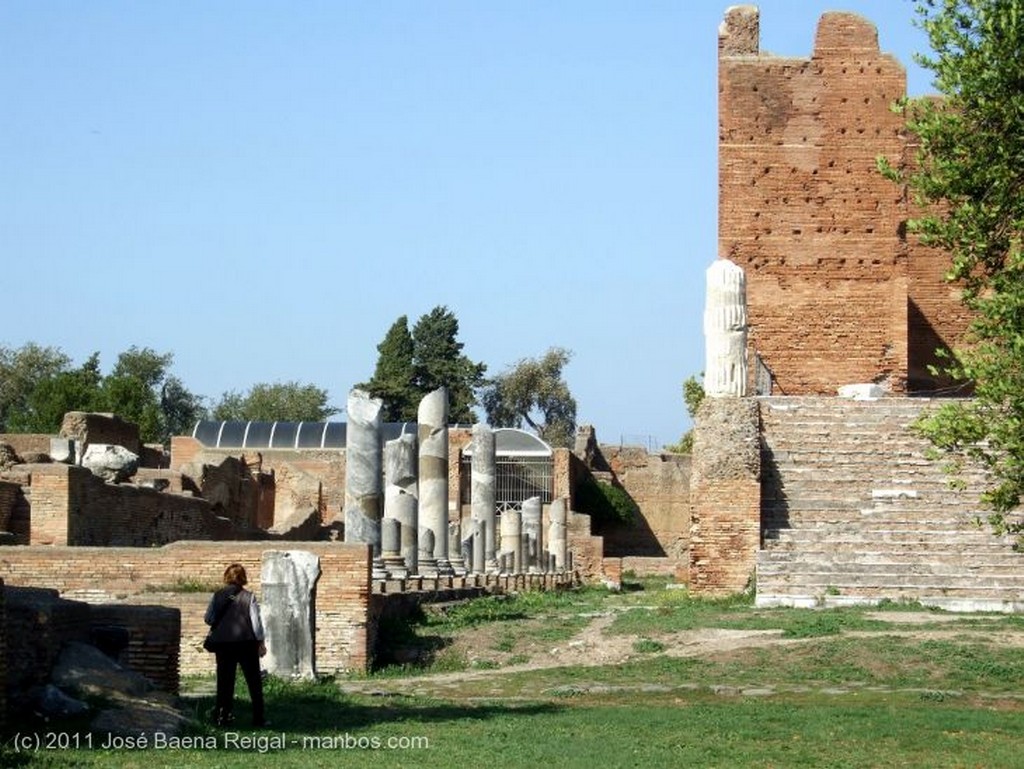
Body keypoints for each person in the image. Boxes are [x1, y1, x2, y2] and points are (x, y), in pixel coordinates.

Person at [205, 563, 268, 727]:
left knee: (224, 682)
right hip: (246, 643)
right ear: (243, 578)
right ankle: (258, 718)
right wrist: (260, 641)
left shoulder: (217, 595)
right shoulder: (249, 596)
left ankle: (222, 717)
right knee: (253, 682)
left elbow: (208, 618)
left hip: (224, 644)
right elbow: (256, 623)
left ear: (226, 576)